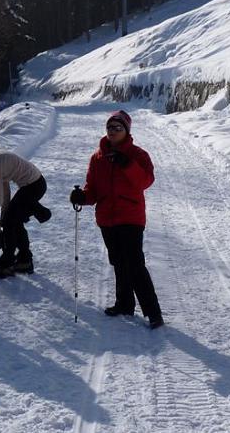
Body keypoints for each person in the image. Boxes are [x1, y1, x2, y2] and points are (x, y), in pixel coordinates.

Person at [69, 110, 163, 329]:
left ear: (126, 131)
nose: (112, 131)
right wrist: (82, 197)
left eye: (117, 128)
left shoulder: (138, 155)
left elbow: (146, 181)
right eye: (109, 127)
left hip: (131, 217)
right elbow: (92, 189)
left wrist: (126, 164)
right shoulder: (97, 157)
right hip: (107, 219)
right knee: (118, 262)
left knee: (135, 265)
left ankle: (153, 313)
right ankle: (124, 303)